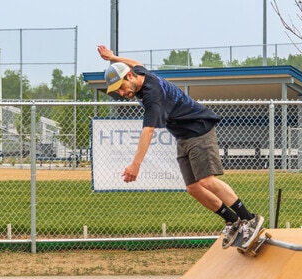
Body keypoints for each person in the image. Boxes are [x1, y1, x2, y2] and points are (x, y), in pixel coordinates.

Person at [97, 45, 263, 249]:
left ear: (130, 76)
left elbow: (148, 131)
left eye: (121, 87)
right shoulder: (140, 73)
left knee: (207, 181)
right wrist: (113, 58)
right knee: (193, 188)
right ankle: (232, 221)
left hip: (198, 130)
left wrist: (135, 165)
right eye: (117, 91)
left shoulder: (152, 96)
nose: (122, 93)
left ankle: (249, 219)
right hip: (183, 137)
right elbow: (137, 63)